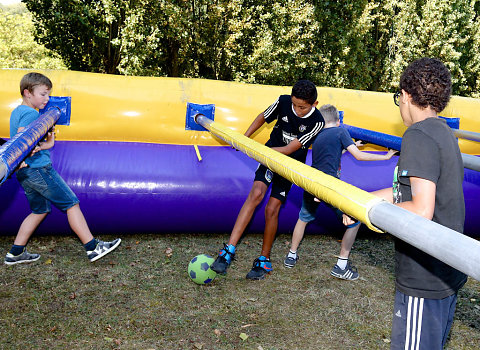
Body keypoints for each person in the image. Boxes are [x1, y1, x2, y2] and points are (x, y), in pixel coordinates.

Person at [345, 58, 466, 349]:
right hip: (446, 270)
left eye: (399, 98)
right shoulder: (443, 133)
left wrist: (370, 212)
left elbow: (421, 211)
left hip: (424, 276)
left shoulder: (418, 135)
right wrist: (360, 201)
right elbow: (408, 193)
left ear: (407, 95)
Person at [211, 79, 325, 280]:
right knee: (255, 194)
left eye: (303, 107)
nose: (297, 110)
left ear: (314, 104)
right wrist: (245, 138)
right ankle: (228, 251)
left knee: (272, 209)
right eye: (295, 105)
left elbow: (290, 149)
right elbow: (262, 117)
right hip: (268, 157)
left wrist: (261, 151)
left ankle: (264, 260)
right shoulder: (282, 102)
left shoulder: (317, 122)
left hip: (288, 165)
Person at [4, 72, 121, 265]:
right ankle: (92, 247)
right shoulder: (30, 113)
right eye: (43, 94)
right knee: (71, 203)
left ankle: (16, 252)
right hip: (38, 170)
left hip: (26, 173)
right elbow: (22, 140)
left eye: (48, 94)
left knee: (39, 210)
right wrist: (27, 152)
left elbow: (27, 144)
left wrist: (47, 144)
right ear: (27, 93)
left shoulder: (17, 111)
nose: (47, 99)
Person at [284, 104, 397, 281]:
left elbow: (330, 153)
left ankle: (291, 254)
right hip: (329, 186)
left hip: (312, 182)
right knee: (354, 221)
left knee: (303, 218)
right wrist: (386, 157)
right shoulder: (340, 131)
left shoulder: (318, 134)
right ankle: (341, 265)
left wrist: (350, 145)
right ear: (338, 121)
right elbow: (359, 156)